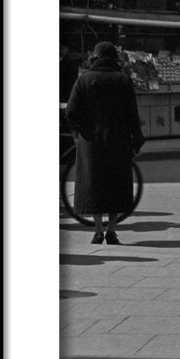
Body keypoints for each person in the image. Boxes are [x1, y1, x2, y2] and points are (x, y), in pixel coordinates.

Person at [65, 41, 145, 245]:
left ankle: (98, 230)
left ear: (95, 57)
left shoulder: (84, 79)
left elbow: (71, 111)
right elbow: (132, 115)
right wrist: (137, 141)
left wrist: (83, 128)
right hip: (118, 140)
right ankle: (111, 230)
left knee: (94, 184)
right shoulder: (123, 80)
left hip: (90, 142)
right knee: (115, 184)